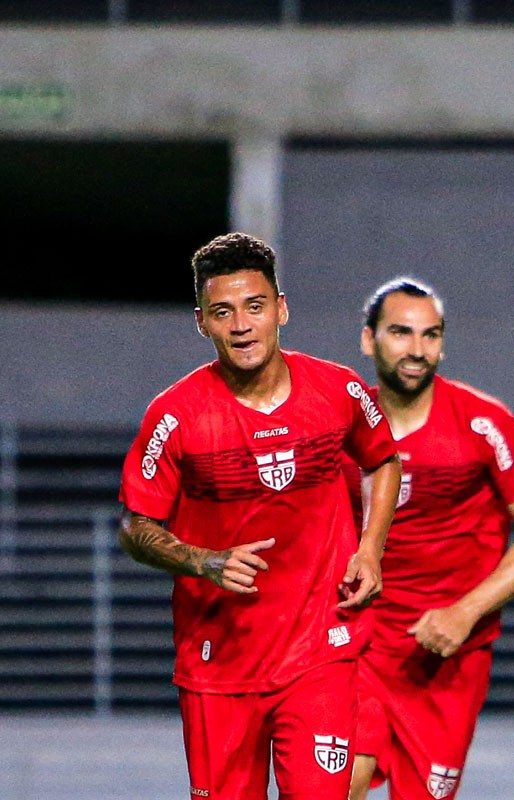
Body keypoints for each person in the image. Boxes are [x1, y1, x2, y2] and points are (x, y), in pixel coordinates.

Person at [117, 232, 402, 800]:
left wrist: (370, 549)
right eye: (224, 312)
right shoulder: (176, 416)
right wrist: (202, 560)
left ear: (281, 309)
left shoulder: (338, 389)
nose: (242, 325)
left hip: (320, 649)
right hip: (218, 662)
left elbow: (383, 460)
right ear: (203, 323)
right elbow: (134, 525)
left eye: (255, 306)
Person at [345, 277, 514, 800]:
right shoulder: (340, 424)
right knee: (336, 781)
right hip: (360, 645)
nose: (417, 350)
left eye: (430, 335)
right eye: (400, 333)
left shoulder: (482, 424)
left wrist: (466, 612)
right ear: (368, 340)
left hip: (447, 655)